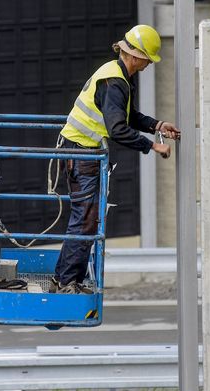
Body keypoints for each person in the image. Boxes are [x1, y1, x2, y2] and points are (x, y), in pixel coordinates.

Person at [50, 24, 181, 294]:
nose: (147, 65)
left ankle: (63, 277)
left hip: (80, 152)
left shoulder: (116, 74)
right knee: (85, 220)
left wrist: (158, 125)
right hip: (81, 153)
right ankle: (65, 282)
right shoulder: (116, 82)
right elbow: (117, 129)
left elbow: (126, 116)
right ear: (134, 55)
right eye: (147, 59)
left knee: (84, 218)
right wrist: (152, 147)